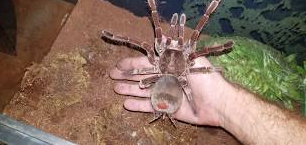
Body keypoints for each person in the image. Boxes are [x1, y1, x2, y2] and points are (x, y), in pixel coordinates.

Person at [110, 56, 306, 144]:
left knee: (147, 84)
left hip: (165, 89)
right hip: (170, 93)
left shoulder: (170, 74)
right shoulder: (184, 82)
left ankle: (164, 108)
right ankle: (166, 109)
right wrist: (220, 98)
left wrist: (220, 97)